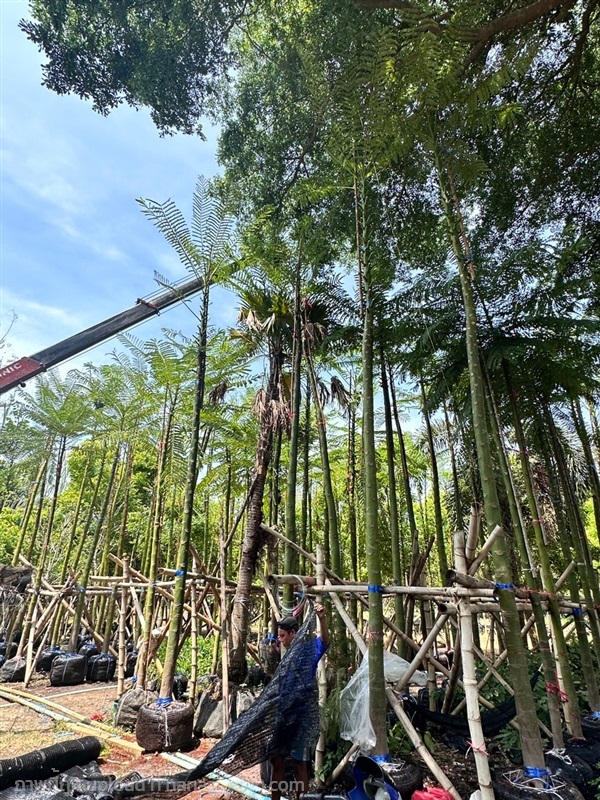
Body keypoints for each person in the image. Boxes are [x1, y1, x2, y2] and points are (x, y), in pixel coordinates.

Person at [270, 603, 329, 800]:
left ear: (294, 633)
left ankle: (301, 798)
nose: (280, 639)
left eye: (283, 636)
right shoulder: (285, 655)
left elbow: (325, 642)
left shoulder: (308, 651)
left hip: (301, 717)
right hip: (283, 715)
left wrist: (322, 618)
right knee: (276, 761)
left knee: (299, 764)